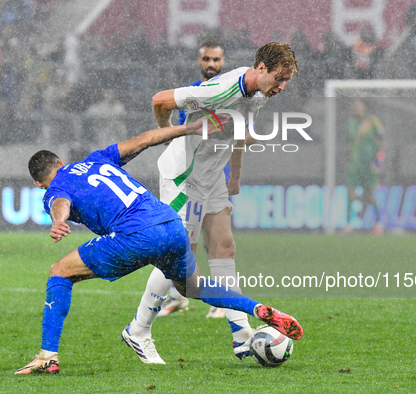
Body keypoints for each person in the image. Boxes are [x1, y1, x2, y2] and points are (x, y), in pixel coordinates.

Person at [14, 115, 303, 375]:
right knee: (192, 287)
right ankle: (256, 309)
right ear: (61, 163)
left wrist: (58, 221)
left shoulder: (54, 189)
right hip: (171, 225)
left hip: (136, 235)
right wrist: (188, 128)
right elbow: (145, 140)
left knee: (59, 271)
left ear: (39, 184)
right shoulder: (97, 159)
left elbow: (60, 203)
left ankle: (47, 357)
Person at [124, 42, 299, 362]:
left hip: (212, 175)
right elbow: (160, 100)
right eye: (279, 78)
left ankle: (243, 334)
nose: (283, 86)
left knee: (224, 247)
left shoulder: (259, 95)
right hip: (184, 178)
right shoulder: (218, 89)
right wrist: (171, 134)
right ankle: (138, 330)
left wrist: (235, 175)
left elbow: (238, 133)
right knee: (178, 258)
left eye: (286, 80)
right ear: (261, 68)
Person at [158, 41, 228, 320]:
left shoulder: (229, 92)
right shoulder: (191, 93)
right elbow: (174, 122)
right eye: (207, 59)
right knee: (183, 238)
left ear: (223, 62)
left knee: (215, 238)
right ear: (199, 61)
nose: (211, 64)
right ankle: (178, 296)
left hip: (214, 176)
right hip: (187, 176)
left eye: (216, 59)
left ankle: (220, 299)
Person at [343, 100, 385, 236]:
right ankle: (349, 224)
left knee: (371, 194)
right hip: (355, 164)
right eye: (354, 107)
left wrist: (378, 161)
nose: (357, 109)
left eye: (359, 107)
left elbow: (381, 140)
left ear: (364, 108)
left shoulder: (372, 121)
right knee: (351, 192)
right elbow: (350, 144)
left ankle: (378, 223)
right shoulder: (350, 124)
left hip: (369, 163)